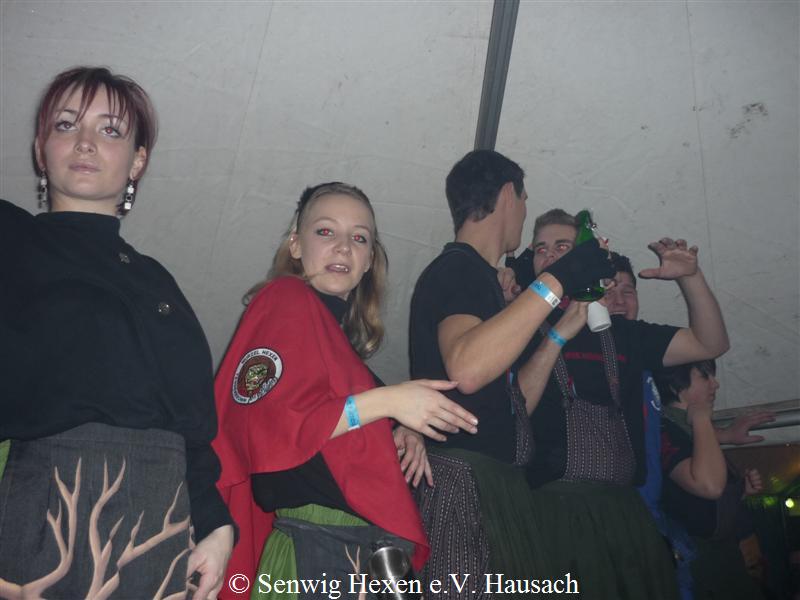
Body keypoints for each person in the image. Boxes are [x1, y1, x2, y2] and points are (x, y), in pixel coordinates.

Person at [0, 67, 234, 599]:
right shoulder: (11, 239)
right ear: (40, 149)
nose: (85, 142)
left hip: (163, 518)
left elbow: (191, 425)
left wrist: (216, 524)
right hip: (50, 507)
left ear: (138, 161)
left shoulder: (159, 283)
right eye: (65, 125)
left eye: (110, 130)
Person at [212, 182, 479, 599]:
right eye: (325, 231)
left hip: (365, 554)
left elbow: (330, 426)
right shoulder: (285, 298)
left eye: (359, 238)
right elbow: (268, 427)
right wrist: (389, 401)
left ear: (369, 259)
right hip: (318, 549)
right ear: (295, 245)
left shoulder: (342, 351)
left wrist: (398, 428)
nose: (343, 247)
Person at [408, 150, 614, 596]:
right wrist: (562, 276)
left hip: (498, 489)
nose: (523, 211)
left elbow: (512, 403)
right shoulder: (458, 267)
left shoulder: (486, 281)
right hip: (465, 490)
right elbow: (467, 369)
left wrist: (556, 336)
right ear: (508, 194)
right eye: (524, 199)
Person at [518, 208, 731, 600]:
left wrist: (690, 277)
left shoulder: (624, 333)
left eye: (562, 246)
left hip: (624, 511)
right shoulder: (518, 326)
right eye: (540, 249)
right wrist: (557, 336)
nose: (549, 255)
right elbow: (517, 412)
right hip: (552, 510)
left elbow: (711, 343)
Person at [656, 360, 766, 600]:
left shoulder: (692, 429)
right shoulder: (663, 429)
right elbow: (708, 486)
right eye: (705, 376)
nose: (715, 384)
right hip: (696, 563)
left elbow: (703, 504)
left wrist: (739, 491)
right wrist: (702, 419)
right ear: (676, 386)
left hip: (725, 557)